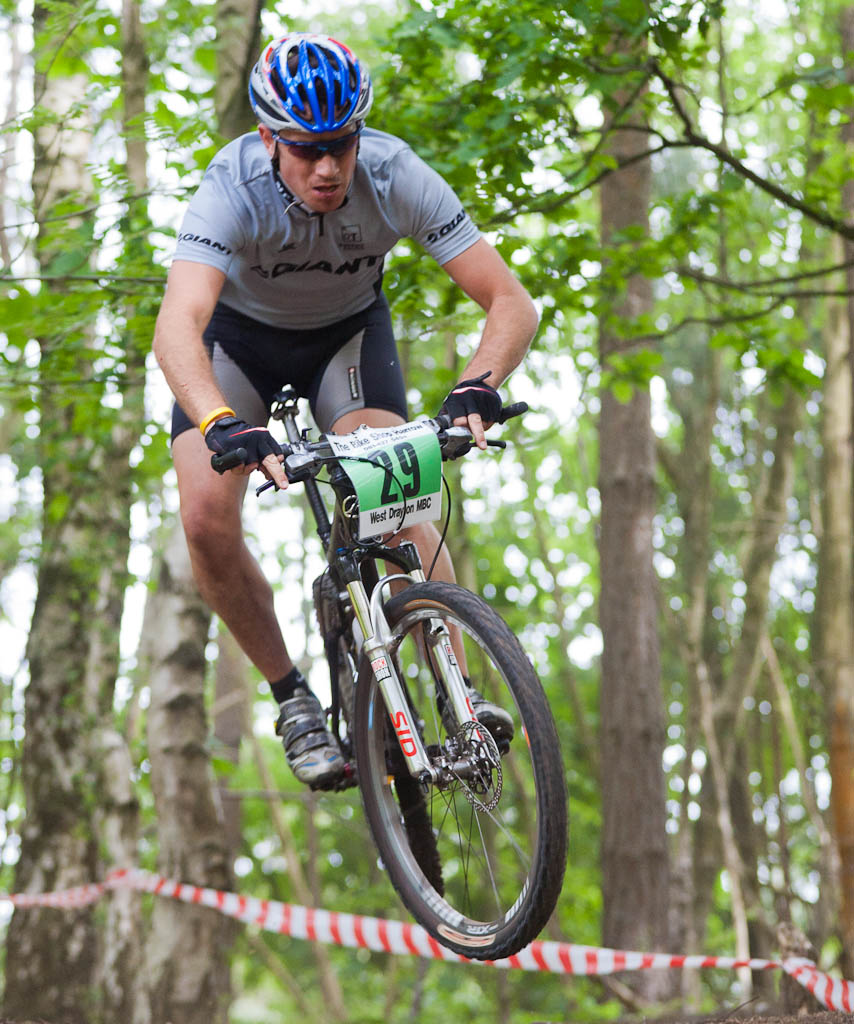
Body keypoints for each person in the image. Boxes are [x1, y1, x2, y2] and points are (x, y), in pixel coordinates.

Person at [153, 32, 539, 789]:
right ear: (269, 139)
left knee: (395, 481)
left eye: (341, 144)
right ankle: (291, 695)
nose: (328, 167)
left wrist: (476, 385)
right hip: (237, 346)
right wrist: (218, 421)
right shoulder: (229, 187)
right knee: (204, 517)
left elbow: (510, 303)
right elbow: (177, 327)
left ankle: (458, 691)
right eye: (305, 149)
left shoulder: (395, 174)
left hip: (345, 340)